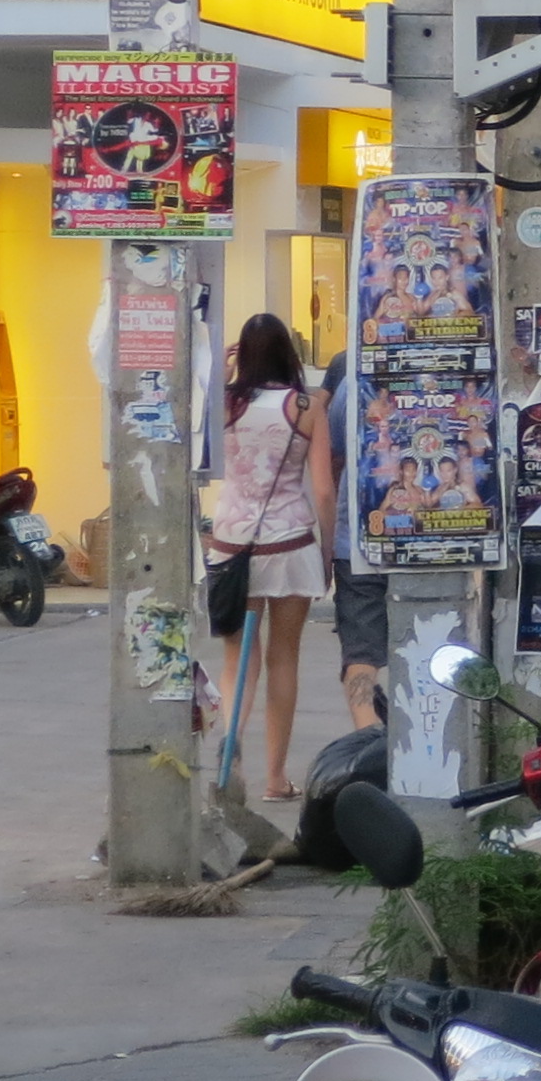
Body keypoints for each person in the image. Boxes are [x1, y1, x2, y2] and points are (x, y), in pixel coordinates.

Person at [213, 312, 331, 800]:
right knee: (285, 658)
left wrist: (220, 375)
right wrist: (327, 554)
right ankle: (275, 778)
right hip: (289, 543)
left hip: (230, 543)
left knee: (237, 658)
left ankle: (230, 744)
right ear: (289, 352)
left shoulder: (223, 404)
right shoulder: (306, 406)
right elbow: (323, 490)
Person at [320, 348, 382, 728]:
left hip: (356, 540)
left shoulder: (350, 386)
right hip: (429, 544)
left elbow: (334, 459)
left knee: (360, 652)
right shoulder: (446, 382)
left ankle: (367, 735)